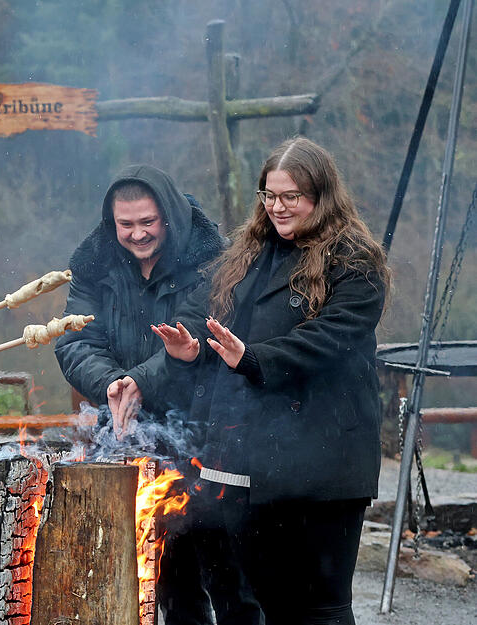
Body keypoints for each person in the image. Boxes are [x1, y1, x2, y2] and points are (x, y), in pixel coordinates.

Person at [152, 137, 390, 625]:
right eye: (270, 196)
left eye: (291, 197)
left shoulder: (356, 260)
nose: (278, 208)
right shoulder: (250, 252)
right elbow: (207, 311)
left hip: (327, 463)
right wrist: (192, 345)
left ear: (321, 195)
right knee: (272, 603)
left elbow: (330, 339)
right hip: (259, 462)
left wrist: (253, 358)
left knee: (321, 609)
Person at [54, 164, 241, 625]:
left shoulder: (210, 261)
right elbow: (75, 339)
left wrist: (138, 380)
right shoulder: (96, 264)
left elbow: (194, 332)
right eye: (126, 224)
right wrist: (112, 384)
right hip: (127, 433)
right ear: (111, 223)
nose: (137, 234)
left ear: (169, 217)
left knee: (223, 575)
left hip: (204, 432)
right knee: (151, 575)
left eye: (147, 222)